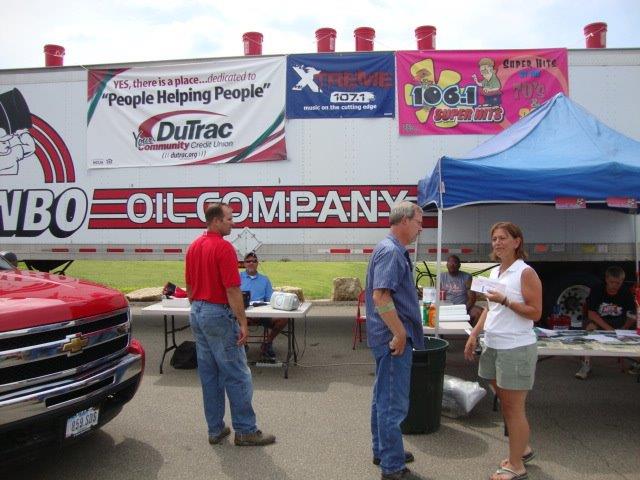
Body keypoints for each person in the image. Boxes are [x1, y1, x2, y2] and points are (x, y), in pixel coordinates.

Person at [185, 202, 275, 447]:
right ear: (216, 221)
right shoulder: (224, 248)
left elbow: (190, 286)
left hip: (198, 311)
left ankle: (215, 429)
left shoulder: (193, 246)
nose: (233, 223)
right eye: (229, 219)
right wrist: (243, 322)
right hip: (217, 313)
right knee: (237, 373)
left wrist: (198, 308)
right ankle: (245, 430)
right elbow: (233, 289)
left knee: (210, 374)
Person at [464, 222, 542, 480]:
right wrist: (474, 334)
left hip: (515, 347)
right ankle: (523, 448)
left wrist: (507, 300)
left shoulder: (525, 273)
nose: (497, 243)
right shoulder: (497, 272)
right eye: (494, 239)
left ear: (517, 242)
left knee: (512, 407)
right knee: (505, 401)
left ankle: (516, 465)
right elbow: (489, 308)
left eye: (503, 238)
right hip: (494, 345)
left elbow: (536, 312)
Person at [366, 201, 426, 480]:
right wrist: (400, 333)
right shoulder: (391, 252)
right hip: (392, 339)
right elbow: (381, 296)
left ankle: (384, 450)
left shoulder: (391, 249)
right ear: (404, 221)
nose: (421, 228)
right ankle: (392, 467)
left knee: (383, 398)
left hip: (386, 337)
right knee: (393, 403)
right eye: (418, 222)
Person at [575, 266, 637, 379]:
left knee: (636, 329)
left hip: (619, 321)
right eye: (612, 282)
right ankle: (586, 364)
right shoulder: (597, 289)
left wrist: (625, 328)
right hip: (599, 320)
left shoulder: (626, 292)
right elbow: (591, 314)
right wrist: (609, 330)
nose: (614, 285)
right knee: (589, 328)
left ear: (622, 281)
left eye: (618, 283)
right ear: (606, 279)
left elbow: (632, 314)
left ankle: (636, 362)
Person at [240, 251, 287, 360]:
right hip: (243, 315)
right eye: (248, 261)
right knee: (230, 320)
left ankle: (267, 343)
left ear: (257, 263)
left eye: (254, 261)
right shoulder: (238, 277)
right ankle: (242, 344)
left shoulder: (264, 279)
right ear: (244, 263)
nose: (251, 263)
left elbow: (270, 300)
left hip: (262, 313)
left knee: (283, 319)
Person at [439, 254, 483, 324]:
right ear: (446, 265)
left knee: (479, 312)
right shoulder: (441, 277)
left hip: (463, 307)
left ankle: (470, 333)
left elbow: (472, 299)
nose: (452, 264)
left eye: (455, 262)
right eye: (449, 262)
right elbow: (437, 296)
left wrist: (462, 310)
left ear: (459, 265)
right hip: (446, 308)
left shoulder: (467, 277)